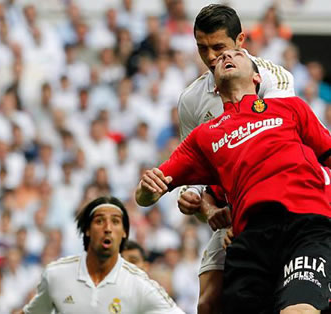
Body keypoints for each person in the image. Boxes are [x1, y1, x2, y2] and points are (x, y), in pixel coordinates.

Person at [136, 49, 331, 313]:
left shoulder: (291, 107)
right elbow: (146, 195)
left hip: (306, 224)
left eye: (237, 54)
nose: (226, 56)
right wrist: (148, 190)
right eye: (220, 60)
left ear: (257, 78)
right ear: (214, 87)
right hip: (250, 238)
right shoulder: (204, 136)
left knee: (298, 310)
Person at [176, 4, 296, 313]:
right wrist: (197, 201)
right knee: (208, 302)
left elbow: (275, 151)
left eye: (219, 47)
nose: (212, 57)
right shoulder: (191, 100)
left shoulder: (275, 80)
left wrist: (247, 221)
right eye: (203, 48)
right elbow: (192, 171)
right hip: (230, 210)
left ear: (240, 41)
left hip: (280, 204)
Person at [22, 196, 185, 313]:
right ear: (87, 229)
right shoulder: (56, 275)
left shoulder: (140, 284)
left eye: (115, 222)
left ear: (124, 233)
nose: (107, 228)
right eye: (99, 221)